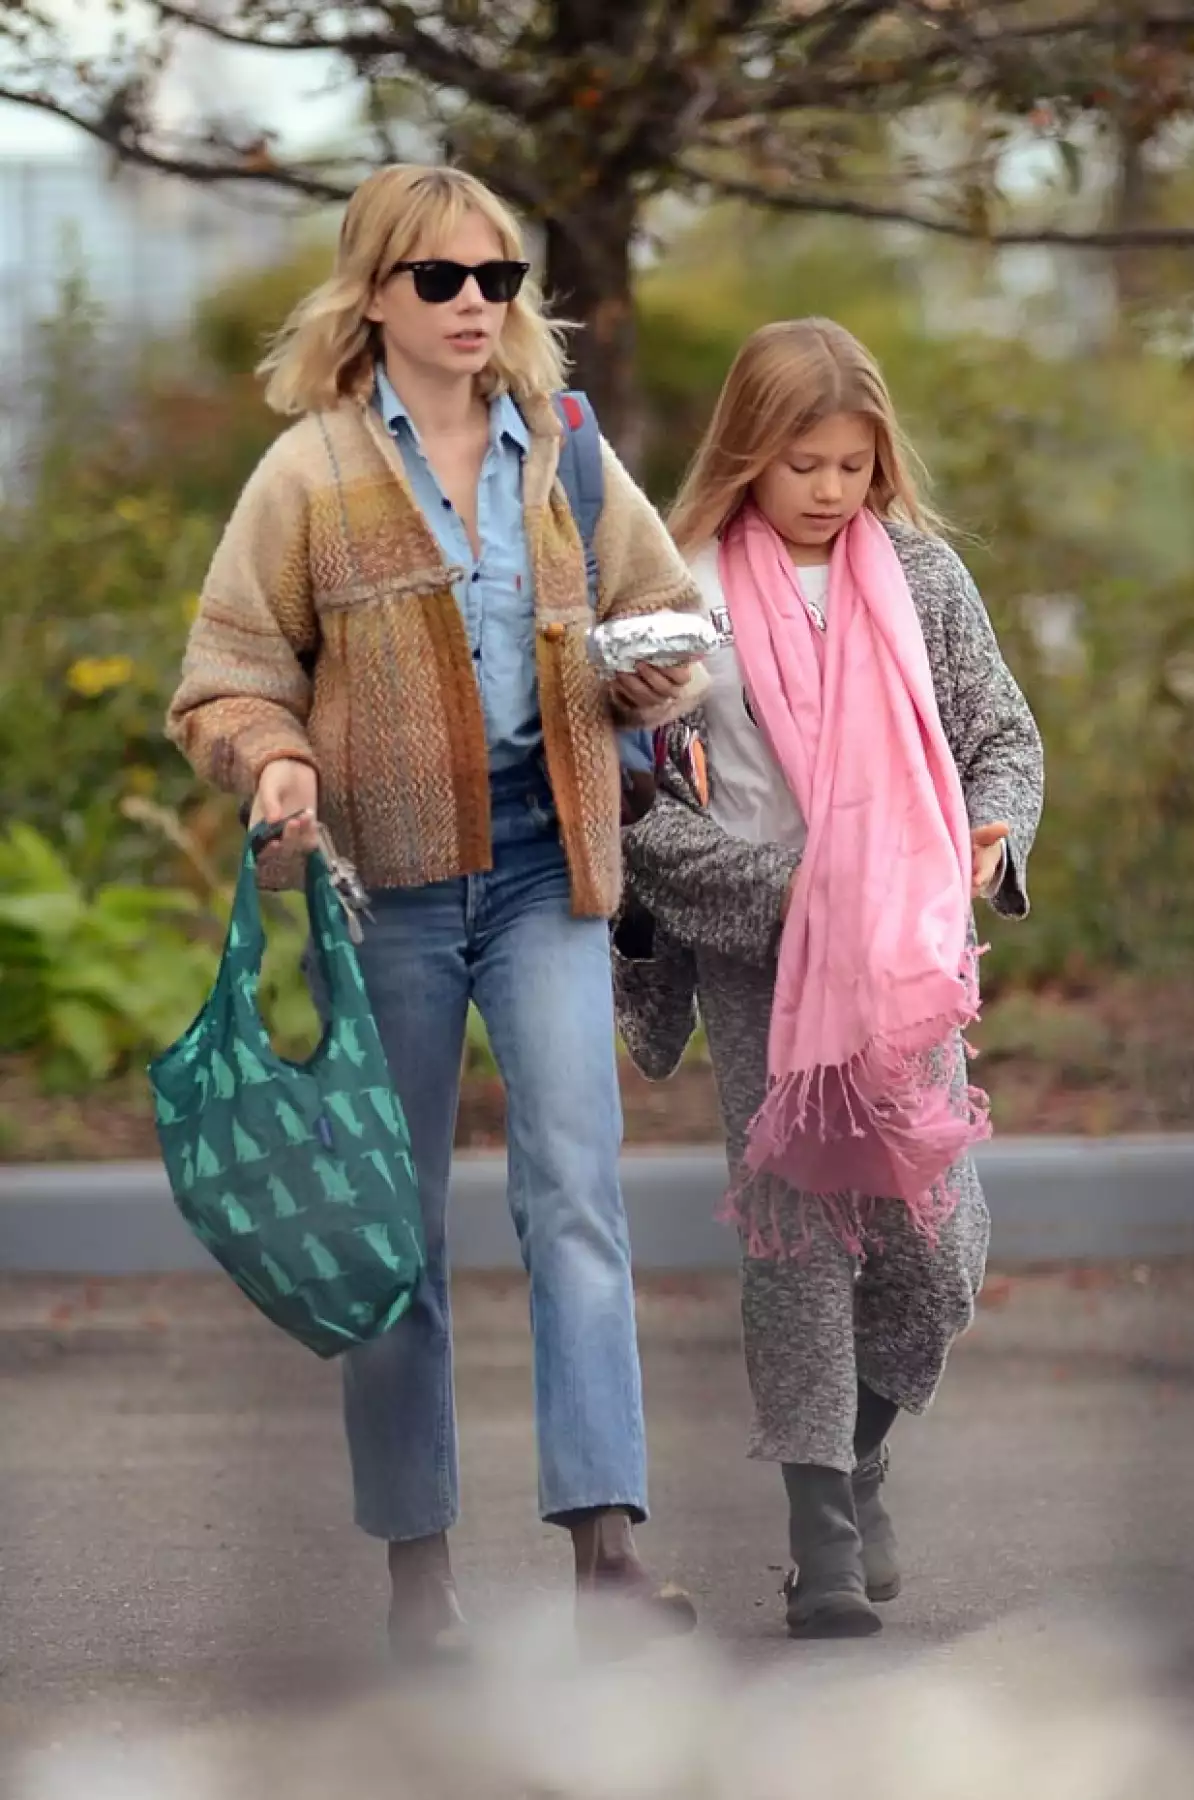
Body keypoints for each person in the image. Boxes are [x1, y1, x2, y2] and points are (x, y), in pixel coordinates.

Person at [166, 163, 709, 1659]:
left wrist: (660, 676)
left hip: (548, 866)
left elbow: (668, 619)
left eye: (501, 280)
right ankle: (420, 1579)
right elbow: (222, 682)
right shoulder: (309, 473)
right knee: (392, 1241)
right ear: (374, 295)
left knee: (576, 1203)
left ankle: (607, 1556)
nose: (478, 305)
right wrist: (274, 762)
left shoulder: (568, 454)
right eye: (443, 281)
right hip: (387, 896)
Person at [613, 318, 1044, 1640]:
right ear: (750, 448)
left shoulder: (922, 576)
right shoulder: (673, 595)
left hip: (903, 955)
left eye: (854, 464)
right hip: (765, 960)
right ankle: (820, 1534)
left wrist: (995, 830)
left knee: (937, 1240)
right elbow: (633, 810)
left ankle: (857, 1456)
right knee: (802, 1239)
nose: (829, 489)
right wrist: (788, 890)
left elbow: (999, 736)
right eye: (804, 461)